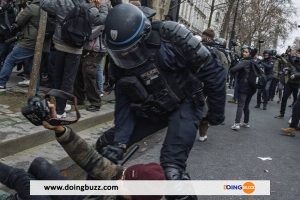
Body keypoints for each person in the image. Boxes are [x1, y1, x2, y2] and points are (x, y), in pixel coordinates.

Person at [95, 4, 226, 198]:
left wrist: (215, 113)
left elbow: (214, 72)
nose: (124, 56)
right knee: (105, 148)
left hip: (185, 102)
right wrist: (120, 143)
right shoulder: (118, 63)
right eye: (119, 52)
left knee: (173, 174)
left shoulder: (172, 36)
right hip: (153, 108)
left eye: (128, 50)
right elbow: (124, 102)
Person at [0, 102, 166, 200]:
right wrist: (60, 129)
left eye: (124, 185)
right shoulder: (119, 179)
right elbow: (91, 158)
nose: (118, 182)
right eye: (123, 177)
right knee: (40, 165)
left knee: (21, 179)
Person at [40, 0, 109, 118]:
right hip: (75, 49)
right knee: (68, 80)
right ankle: (60, 110)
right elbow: (102, 19)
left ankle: (60, 105)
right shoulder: (89, 8)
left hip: (59, 45)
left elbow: (43, 4)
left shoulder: (61, 3)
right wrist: (103, 5)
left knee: (57, 77)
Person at [0, 0, 51, 92]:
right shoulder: (50, 7)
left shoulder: (31, 7)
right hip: (44, 42)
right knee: (35, 65)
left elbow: (19, 21)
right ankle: (36, 88)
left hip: (29, 41)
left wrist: (24, 9)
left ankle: (1, 83)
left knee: (10, 59)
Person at [230, 46, 257, 130]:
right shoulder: (254, 61)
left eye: (246, 52)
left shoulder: (245, 62)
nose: (243, 53)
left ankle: (236, 124)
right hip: (252, 86)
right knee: (246, 105)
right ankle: (246, 122)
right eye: (243, 51)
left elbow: (233, 69)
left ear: (250, 53)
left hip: (244, 86)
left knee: (240, 105)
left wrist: (236, 65)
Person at [275, 50, 300, 119]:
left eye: (298, 53)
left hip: (297, 83)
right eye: (297, 53)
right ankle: (281, 113)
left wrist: (295, 75)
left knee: (296, 101)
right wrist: (287, 70)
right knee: (284, 98)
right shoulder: (293, 60)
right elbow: (290, 67)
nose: (297, 54)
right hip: (289, 82)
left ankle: (293, 116)